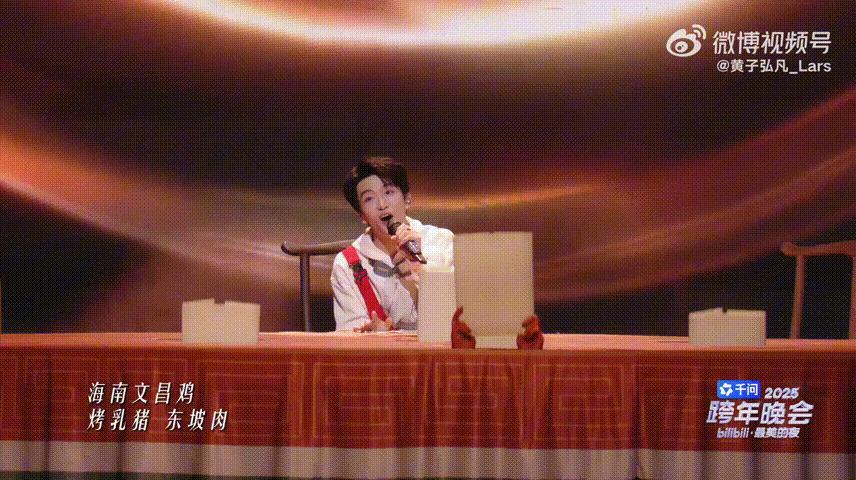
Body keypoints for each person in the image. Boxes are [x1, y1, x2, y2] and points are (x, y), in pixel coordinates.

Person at [331, 156, 454, 332]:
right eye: (369, 199)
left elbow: (456, 315)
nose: (382, 205)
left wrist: (420, 266)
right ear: (362, 216)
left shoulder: (440, 241)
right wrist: (374, 334)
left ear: (407, 199)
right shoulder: (347, 265)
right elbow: (349, 333)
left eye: (388, 192)